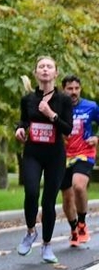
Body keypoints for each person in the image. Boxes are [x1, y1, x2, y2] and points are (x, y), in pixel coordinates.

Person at [14, 56, 73, 264]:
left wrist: (51, 115)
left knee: (48, 202)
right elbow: (23, 120)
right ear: (36, 73)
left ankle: (47, 245)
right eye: (41, 67)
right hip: (33, 152)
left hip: (55, 155)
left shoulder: (63, 100)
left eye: (49, 67)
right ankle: (31, 232)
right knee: (31, 193)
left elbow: (69, 129)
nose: (45, 70)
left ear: (56, 73)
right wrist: (20, 129)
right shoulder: (28, 99)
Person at [59, 75, 99, 247]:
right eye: (70, 89)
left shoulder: (91, 106)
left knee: (79, 186)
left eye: (76, 88)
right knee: (67, 199)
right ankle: (73, 228)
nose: (74, 92)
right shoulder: (57, 107)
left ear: (80, 89)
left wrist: (96, 137)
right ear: (64, 90)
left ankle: (82, 223)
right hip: (62, 156)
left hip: (84, 153)